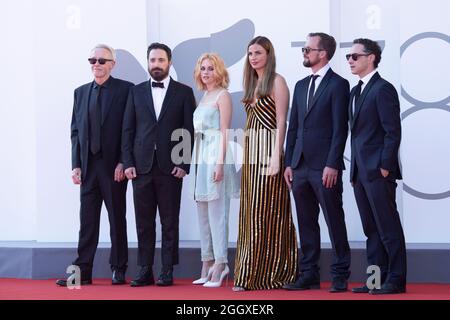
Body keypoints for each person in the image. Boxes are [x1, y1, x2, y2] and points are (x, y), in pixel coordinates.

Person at [57, 44, 133, 287]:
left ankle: (118, 268)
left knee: (116, 219)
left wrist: (124, 160)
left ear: (112, 63)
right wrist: (76, 164)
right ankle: (82, 272)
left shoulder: (126, 90)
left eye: (102, 60)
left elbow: (128, 130)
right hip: (88, 167)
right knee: (87, 221)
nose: (96, 65)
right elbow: (75, 132)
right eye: (92, 60)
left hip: (114, 167)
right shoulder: (80, 93)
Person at [121, 43, 196, 287]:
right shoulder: (136, 92)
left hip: (170, 167)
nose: (156, 64)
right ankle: (144, 270)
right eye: (152, 60)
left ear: (169, 62)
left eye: (160, 60)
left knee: (169, 221)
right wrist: (128, 162)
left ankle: (166, 270)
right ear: (148, 63)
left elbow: (188, 130)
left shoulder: (184, 92)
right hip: (141, 167)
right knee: (143, 222)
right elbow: (128, 130)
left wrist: (183, 163)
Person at [283, 32, 351, 293]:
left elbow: (339, 129)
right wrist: (289, 162)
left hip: (325, 168)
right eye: (304, 50)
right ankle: (309, 274)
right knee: (306, 223)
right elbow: (294, 127)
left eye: (308, 49)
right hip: (300, 167)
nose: (304, 53)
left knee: (335, 221)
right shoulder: (300, 85)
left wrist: (333, 163)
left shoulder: (338, 84)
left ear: (323, 53)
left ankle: (340, 274)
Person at [233, 36, 298, 291]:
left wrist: (275, 156)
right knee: (250, 212)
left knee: (267, 211)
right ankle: (248, 272)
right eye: (250, 53)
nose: (253, 57)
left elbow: (282, 121)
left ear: (269, 55)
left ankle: (263, 273)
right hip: (251, 153)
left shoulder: (277, 81)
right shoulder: (252, 82)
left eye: (258, 53)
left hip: (268, 154)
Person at [347, 38, 407, 295]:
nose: (350, 60)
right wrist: (354, 172)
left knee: (388, 227)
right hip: (360, 173)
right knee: (371, 229)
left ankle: (396, 280)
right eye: (348, 56)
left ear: (370, 57)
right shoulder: (355, 91)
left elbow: (392, 131)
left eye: (355, 56)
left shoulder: (383, 89)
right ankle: (375, 280)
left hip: (378, 171)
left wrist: (385, 167)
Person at [190, 53, 240, 288]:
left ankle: (221, 264)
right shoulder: (204, 96)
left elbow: (224, 131)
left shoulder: (223, 95)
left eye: (210, 68)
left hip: (216, 156)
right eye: (203, 68)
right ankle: (206, 261)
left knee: (218, 213)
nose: (206, 72)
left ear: (219, 70)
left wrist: (219, 164)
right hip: (200, 156)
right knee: (203, 211)